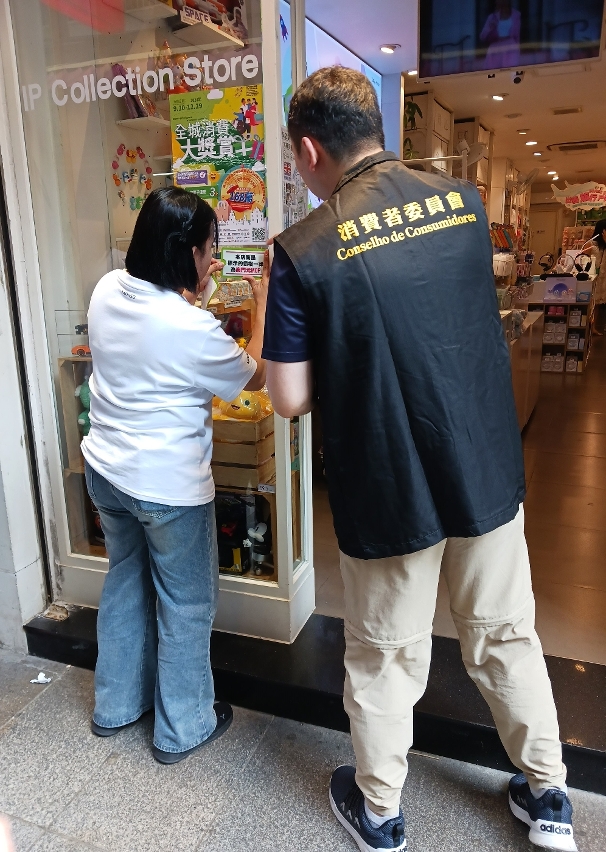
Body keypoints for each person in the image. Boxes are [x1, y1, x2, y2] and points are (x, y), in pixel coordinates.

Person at [263, 67, 576, 852]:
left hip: (390, 480)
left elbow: (289, 397)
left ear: (309, 150)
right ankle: (548, 798)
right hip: (480, 461)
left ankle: (379, 813)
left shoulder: (303, 250)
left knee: (385, 655)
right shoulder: (464, 205)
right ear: (375, 127)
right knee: (504, 633)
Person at [82, 187, 267, 764]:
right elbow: (255, 375)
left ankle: (115, 707)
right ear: (185, 252)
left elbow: (157, 330)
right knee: (186, 604)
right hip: (167, 488)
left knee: (125, 582)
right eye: (209, 249)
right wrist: (262, 303)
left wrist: (195, 294)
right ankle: (182, 727)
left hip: (106, 471)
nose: (214, 259)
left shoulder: (107, 289)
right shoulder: (190, 327)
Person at [480, 0, 522, 71]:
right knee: (495, 73)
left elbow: (517, 35)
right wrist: (491, 28)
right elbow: (482, 36)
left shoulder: (516, 15)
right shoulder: (492, 17)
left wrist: (518, 50)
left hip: (511, 48)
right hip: (496, 48)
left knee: (510, 71)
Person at [588, 219, 606, 335]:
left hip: (604, 278)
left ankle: (595, 327)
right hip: (595, 277)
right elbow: (583, 258)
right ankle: (590, 327)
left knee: (599, 303)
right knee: (593, 303)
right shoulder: (591, 244)